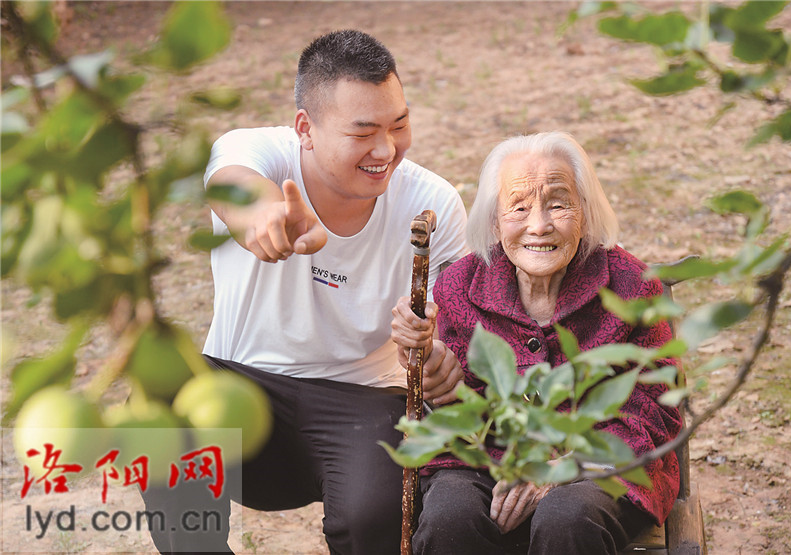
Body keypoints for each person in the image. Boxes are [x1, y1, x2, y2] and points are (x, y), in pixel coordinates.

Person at [142, 30, 468, 554]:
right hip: (239, 394)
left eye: (399, 124)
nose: (386, 149)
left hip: (364, 405)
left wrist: (439, 359)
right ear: (305, 129)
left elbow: (454, 327)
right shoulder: (251, 149)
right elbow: (238, 188)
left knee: (373, 520)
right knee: (158, 388)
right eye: (362, 132)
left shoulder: (434, 204)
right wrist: (267, 219)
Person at [391, 132, 682, 554]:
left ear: (584, 210)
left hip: (602, 465)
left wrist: (562, 468)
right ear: (494, 220)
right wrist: (433, 369)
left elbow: (655, 416)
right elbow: (457, 408)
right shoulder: (459, 285)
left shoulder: (633, 289)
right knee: (448, 519)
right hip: (487, 461)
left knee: (566, 517)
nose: (539, 224)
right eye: (519, 206)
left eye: (559, 203)